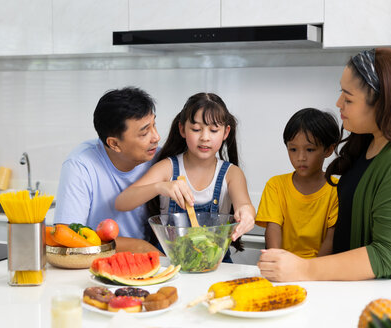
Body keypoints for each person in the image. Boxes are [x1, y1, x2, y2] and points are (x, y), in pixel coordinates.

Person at [258, 48, 391, 284]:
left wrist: (305, 269)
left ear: (382, 103)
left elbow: (390, 254)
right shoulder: (368, 142)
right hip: (365, 294)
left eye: (348, 98)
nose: (338, 103)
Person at [115, 92, 256, 260]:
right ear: (182, 129)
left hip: (215, 261)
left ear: (225, 133)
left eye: (213, 130)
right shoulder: (167, 168)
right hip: (169, 259)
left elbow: (245, 206)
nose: (205, 137)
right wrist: (161, 187)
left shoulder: (231, 174)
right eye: (196, 129)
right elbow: (121, 202)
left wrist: (247, 214)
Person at [53, 87, 162, 253]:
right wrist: (140, 247)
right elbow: (67, 235)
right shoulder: (80, 164)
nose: (156, 137)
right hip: (95, 260)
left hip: (147, 260)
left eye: (154, 125)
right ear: (114, 144)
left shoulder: (158, 158)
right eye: (145, 132)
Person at [255, 108, 340, 258]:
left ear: (328, 150)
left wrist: (311, 271)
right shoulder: (275, 185)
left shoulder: (337, 189)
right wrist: (277, 261)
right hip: (282, 266)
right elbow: (273, 229)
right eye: (293, 149)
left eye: (310, 149)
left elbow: (332, 239)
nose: (300, 157)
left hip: (320, 271)